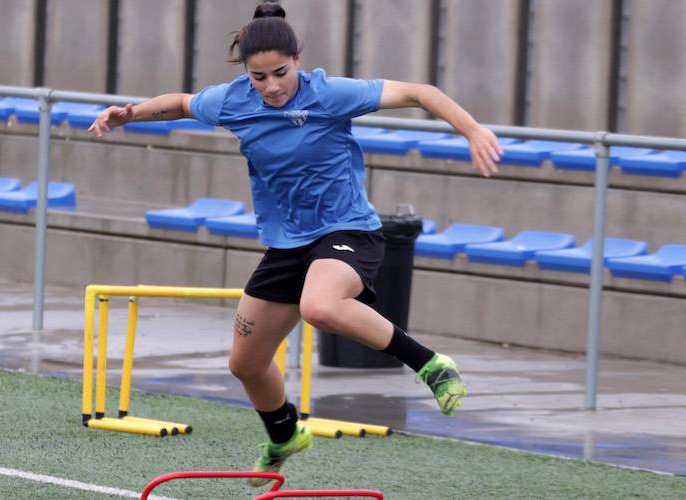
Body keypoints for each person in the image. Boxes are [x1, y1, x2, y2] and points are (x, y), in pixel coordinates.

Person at [89, 1, 502, 486]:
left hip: (347, 230)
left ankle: (430, 364)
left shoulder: (329, 94)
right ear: (246, 73)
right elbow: (180, 104)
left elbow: (420, 92)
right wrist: (128, 115)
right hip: (286, 245)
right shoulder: (232, 101)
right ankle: (284, 434)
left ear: (297, 60)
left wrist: (473, 129)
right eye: (259, 77)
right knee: (245, 363)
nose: (272, 87)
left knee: (321, 307)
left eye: (280, 73)